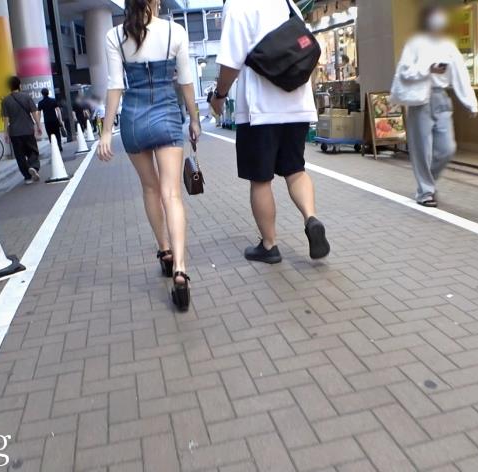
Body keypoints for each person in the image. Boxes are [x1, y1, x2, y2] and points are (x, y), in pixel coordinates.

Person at [210, 0, 330, 265]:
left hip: (260, 110)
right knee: (295, 170)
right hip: (297, 105)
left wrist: (219, 95)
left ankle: (269, 245)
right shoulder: (287, 3)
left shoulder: (238, 6)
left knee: (261, 180)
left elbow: (230, 63)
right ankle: (311, 218)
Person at [98, 0, 200, 311]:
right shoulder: (174, 32)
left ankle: (164, 251)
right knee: (172, 194)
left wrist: (106, 132)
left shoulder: (114, 36)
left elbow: (115, 85)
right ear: (155, 2)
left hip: (133, 118)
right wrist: (194, 120)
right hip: (166, 114)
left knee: (150, 189)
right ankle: (180, 268)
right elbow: (185, 81)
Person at [390, 4, 478, 207]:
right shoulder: (415, 43)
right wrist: (427, 68)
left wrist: (470, 102)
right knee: (422, 149)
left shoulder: (448, 45)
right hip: (420, 99)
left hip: (441, 97)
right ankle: (425, 192)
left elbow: (461, 74)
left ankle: (427, 183)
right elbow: (404, 71)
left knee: (447, 149)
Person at [1, 76, 43, 184]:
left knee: (20, 156)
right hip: (28, 129)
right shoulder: (26, 97)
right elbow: (34, 113)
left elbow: (6, 118)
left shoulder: (5, 100)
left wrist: (5, 133)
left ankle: (27, 177)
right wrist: (38, 125)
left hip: (14, 132)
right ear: (19, 85)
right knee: (33, 151)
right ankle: (33, 166)